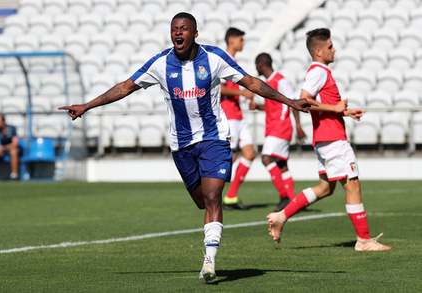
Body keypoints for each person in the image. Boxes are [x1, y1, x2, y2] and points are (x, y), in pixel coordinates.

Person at [59, 12, 316, 281]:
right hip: (181, 145)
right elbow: (124, 88)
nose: (178, 33)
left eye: (183, 29)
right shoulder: (160, 63)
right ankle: (210, 238)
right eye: (174, 29)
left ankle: (209, 261)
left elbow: (251, 82)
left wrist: (289, 101)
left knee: (214, 196)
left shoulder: (214, 58)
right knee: (202, 201)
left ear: (195, 33)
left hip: (213, 138)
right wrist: (86, 105)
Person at [267, 28, 391, 251]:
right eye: (330, 47)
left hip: (325, 139)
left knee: (326, 188)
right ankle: (363, 240)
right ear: (318, 51)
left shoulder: (320, 71)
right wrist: (335, 108)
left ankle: (282, 216)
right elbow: (304, 100)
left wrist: (344, 112)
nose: (334, 50)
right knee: (352, 185)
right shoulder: (318, 71)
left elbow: (321, 105)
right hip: (333, 139)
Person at [251, 52, 306, 212]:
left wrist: (299, 126)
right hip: (274, 127)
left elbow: (292, 102)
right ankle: (293, 201)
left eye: (256, 65)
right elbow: (274, 106)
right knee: (282, 165)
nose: (256, 68)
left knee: (266, 158)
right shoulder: (269, 82)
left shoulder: (280, 80)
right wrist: (258, 107)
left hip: (280, 127)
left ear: (260, 65)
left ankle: (284, 197)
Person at [220, 28, 256, 211]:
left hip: (238, 114)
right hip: (228, 114)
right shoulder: (223, 60)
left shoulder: (233, 61)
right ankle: (212, 192)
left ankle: (231, 196)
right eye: (241, 40)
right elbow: (219, 89)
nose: (243, 43)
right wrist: (242, 92)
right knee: (230, 156)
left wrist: (248, 97)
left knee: (250, 153)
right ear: (232, 40)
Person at [0, 114, 21, 180]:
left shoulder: (12, 129)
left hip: (11, 148)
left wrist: (2, 148)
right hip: (3, 150)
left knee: (14, 151)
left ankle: (14, 175)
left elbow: (15, 144)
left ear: (3, 122)